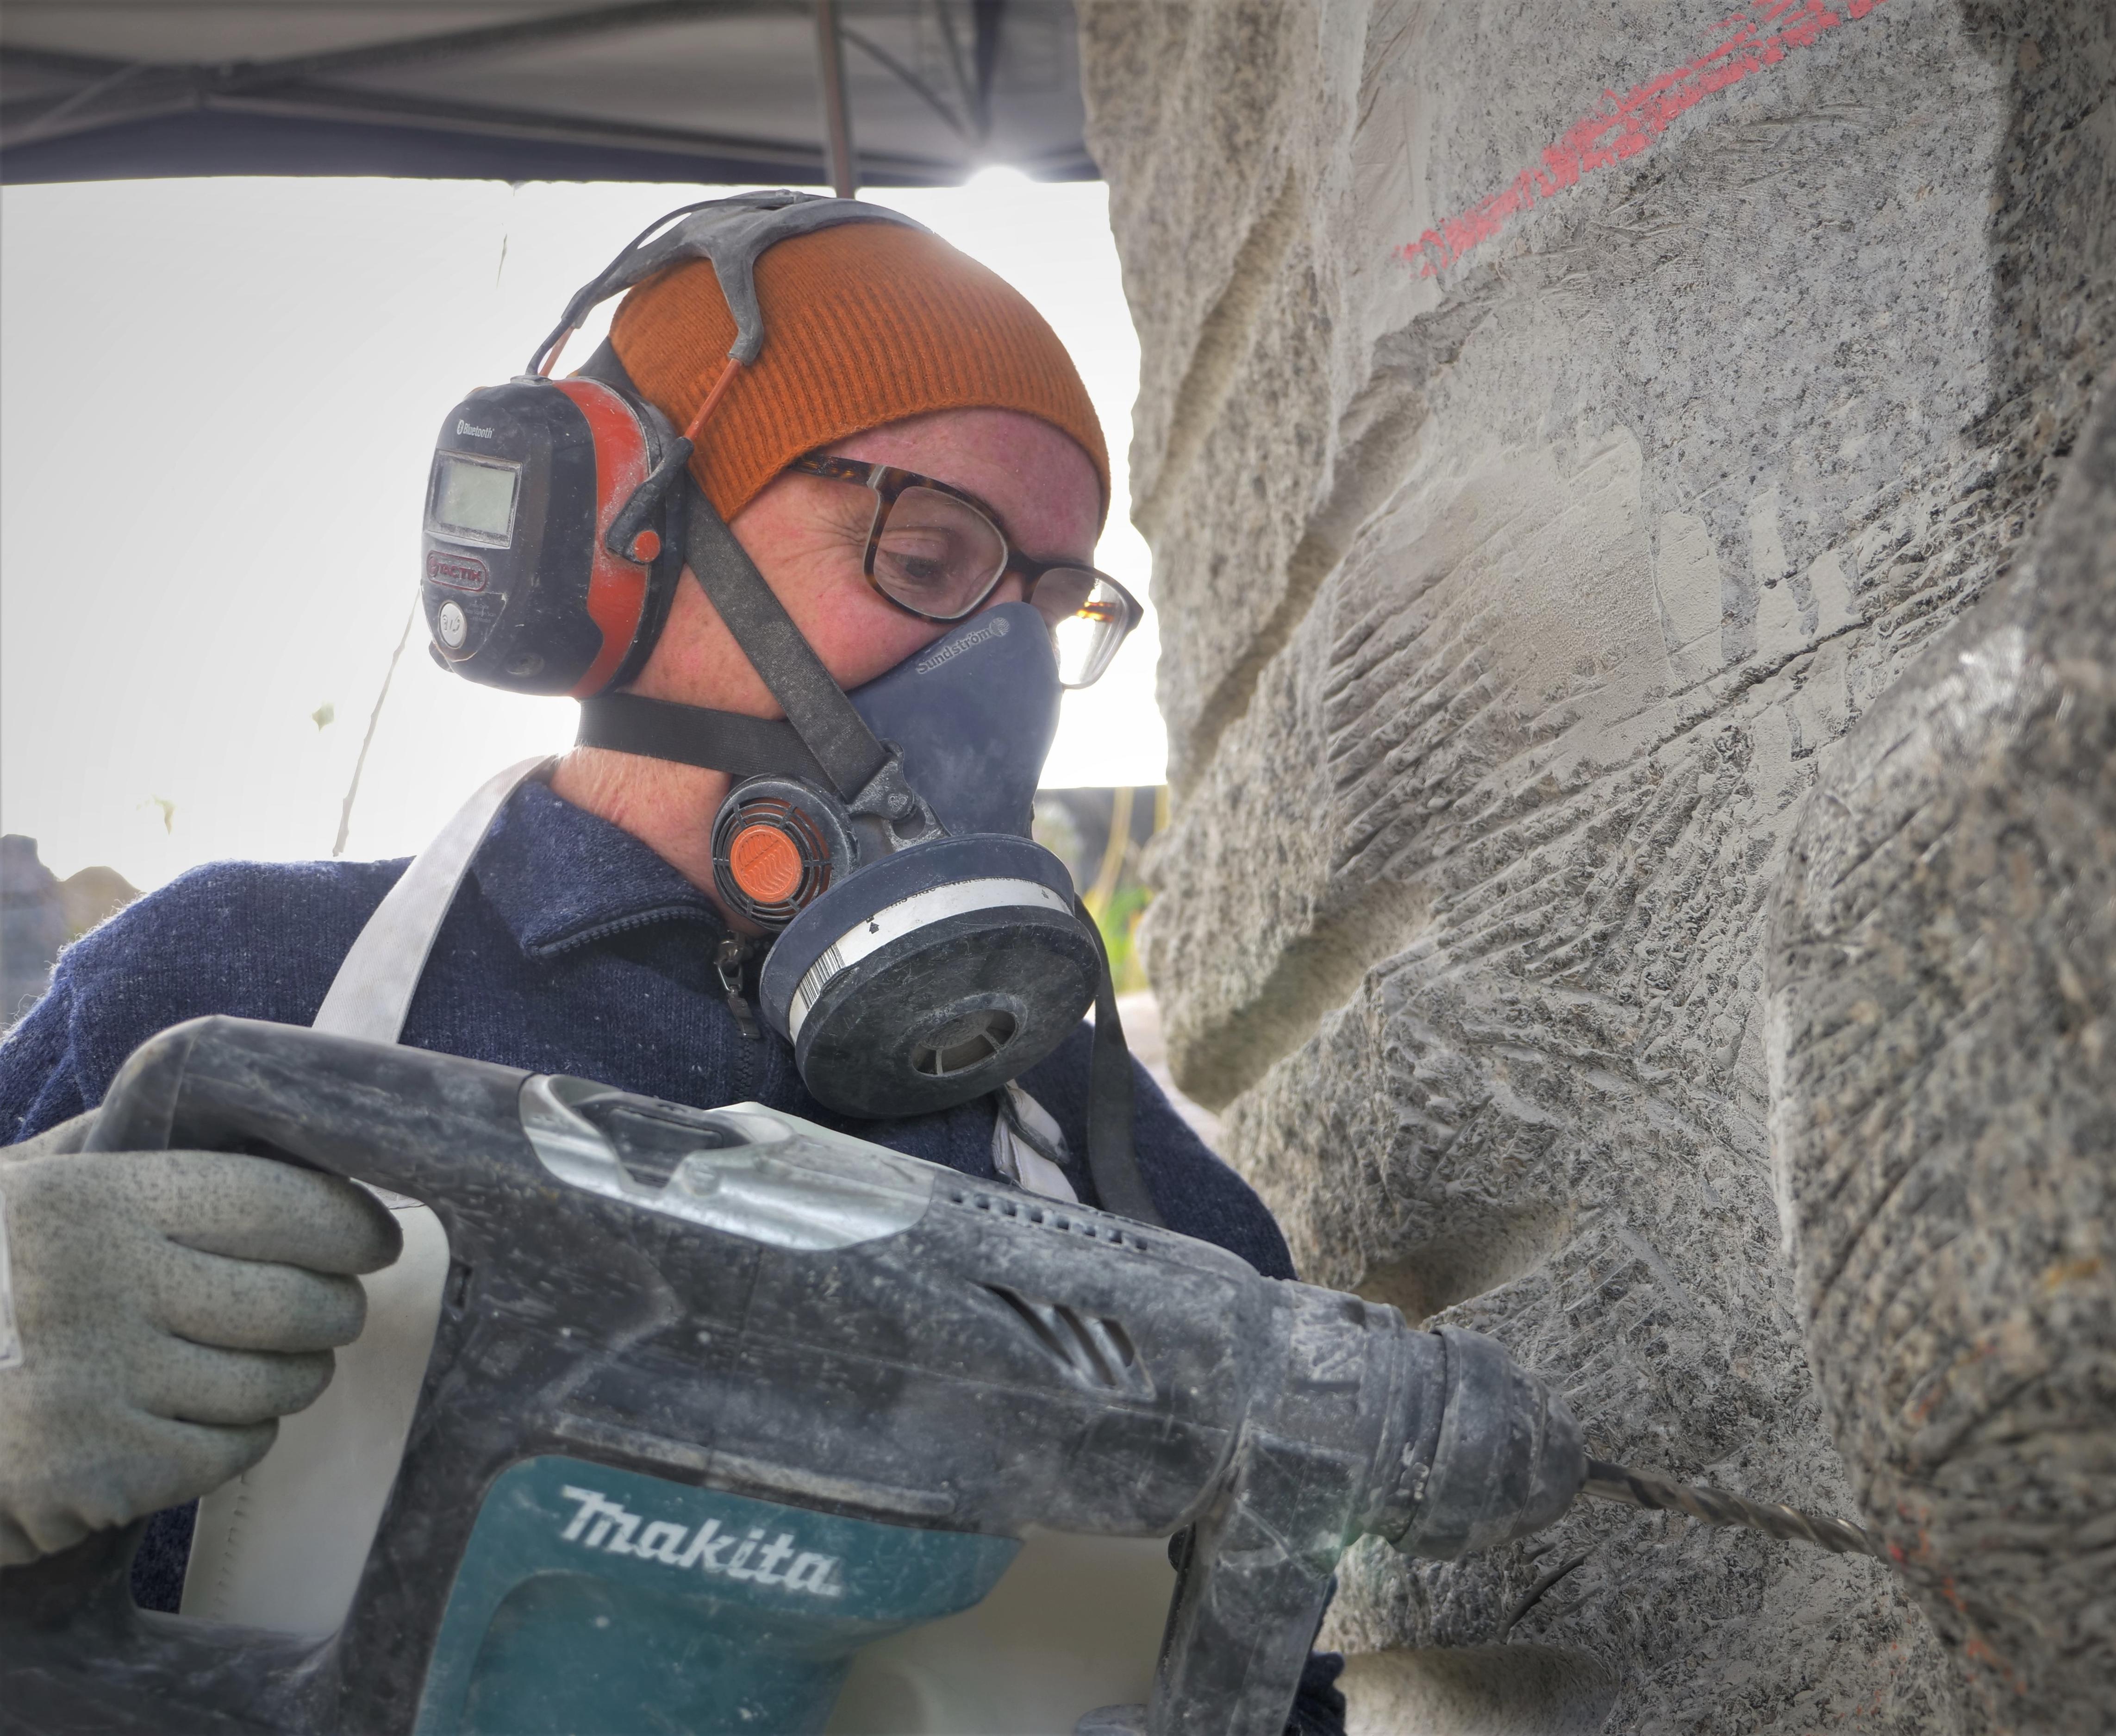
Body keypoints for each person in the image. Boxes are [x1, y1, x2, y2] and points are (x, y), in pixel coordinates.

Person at [0, 208, 1345, 1734]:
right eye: (928, 559)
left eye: (1049, 614)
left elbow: (1282, 1687)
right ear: (620, 541)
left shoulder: (1163, 1213)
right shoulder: (229, 983)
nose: (1007, 677)